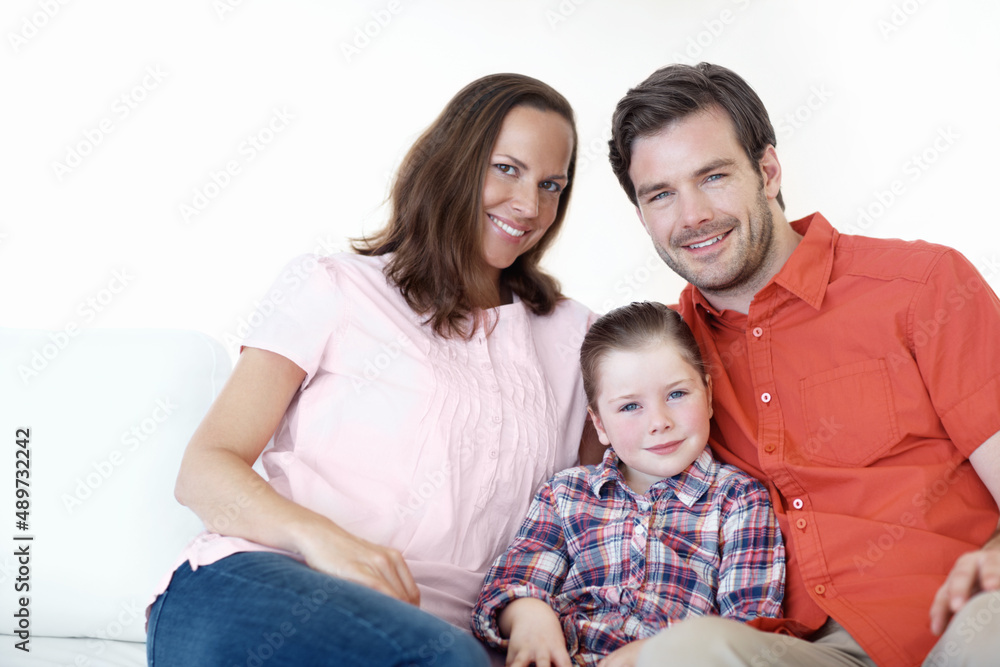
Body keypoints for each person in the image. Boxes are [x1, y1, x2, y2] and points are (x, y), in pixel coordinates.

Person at [145, 72, 600, 666]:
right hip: (267, 581)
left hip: (450, 632)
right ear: (454, 162)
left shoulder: (577, 338)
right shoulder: (336, 287)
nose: (529, 205)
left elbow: (590, 518)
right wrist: (324, 540)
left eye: (552, 185)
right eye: (506, 168)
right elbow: (204, 469)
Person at [607, 62, 1000, 667]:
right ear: (641, 215)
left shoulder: (922, 285)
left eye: (712, 177)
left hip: (959, 619)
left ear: (766, 171)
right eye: (660, 194)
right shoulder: (657, 360)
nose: (691, 217)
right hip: (792, 650)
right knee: (680, 655)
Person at [472, 301, 785, 667]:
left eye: (677, 394)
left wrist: (665, 653)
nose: (659, 421)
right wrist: (530, 616)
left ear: (709, 395)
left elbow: (748, 623)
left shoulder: (738, 499)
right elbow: (510, 583)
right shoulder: (566, 494)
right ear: (600, 425)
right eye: (630, 407)